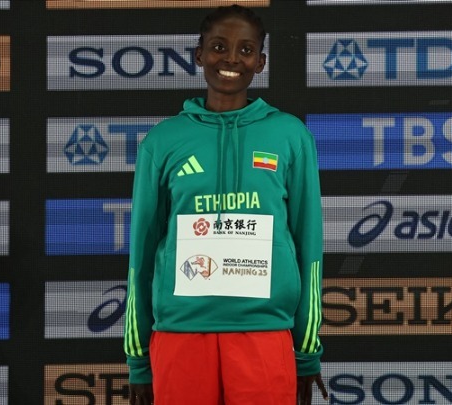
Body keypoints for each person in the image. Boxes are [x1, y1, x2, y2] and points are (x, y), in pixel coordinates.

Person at [124, 5, 327, 404]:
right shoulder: (163, 141)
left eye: (245, 50)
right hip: (180, 335)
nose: (231, 59)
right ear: (199, 55)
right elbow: (140, 256)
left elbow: (309, 247)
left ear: (260, 62)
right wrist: (138, 360)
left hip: (264, 334)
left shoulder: (290, 136)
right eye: (219, 47)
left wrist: (306, 351)